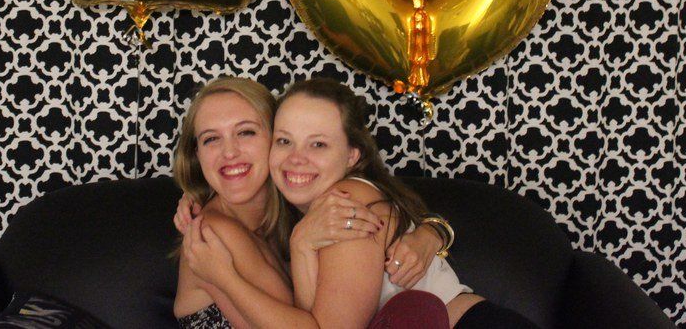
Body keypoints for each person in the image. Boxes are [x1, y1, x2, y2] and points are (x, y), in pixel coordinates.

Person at [182, 77, 538, 328]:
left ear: (352, 155)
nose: (296, 158)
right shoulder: (294, 213)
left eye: (318, 144)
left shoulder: (343, 203)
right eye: (286, 141)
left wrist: (433, 233)